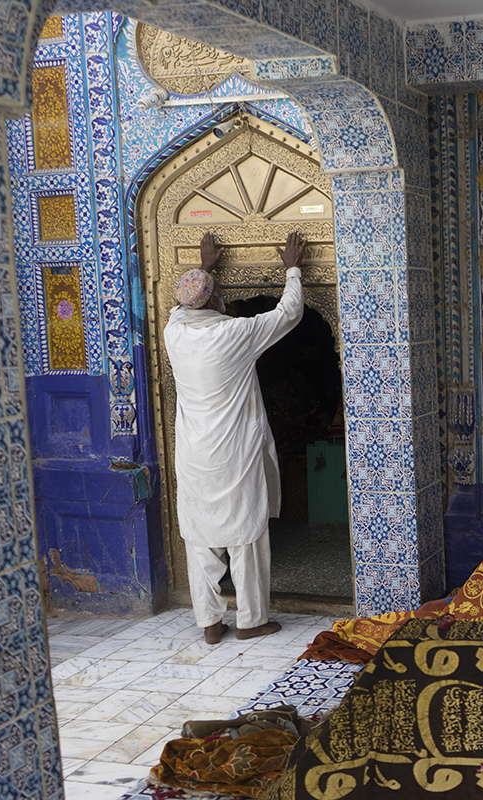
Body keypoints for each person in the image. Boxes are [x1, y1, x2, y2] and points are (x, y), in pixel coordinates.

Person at [164, 230, 305, 644]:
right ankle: (251, 620)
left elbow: (180, 306)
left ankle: (209, 623)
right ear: (212, 301)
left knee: (200, 537)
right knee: (246, 534)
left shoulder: (175, 333)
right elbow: (289, 312)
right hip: (233, 452)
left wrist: (204, 268)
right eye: (214, 291)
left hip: (193, 454)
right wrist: (292, 268)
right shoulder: (234, 334)